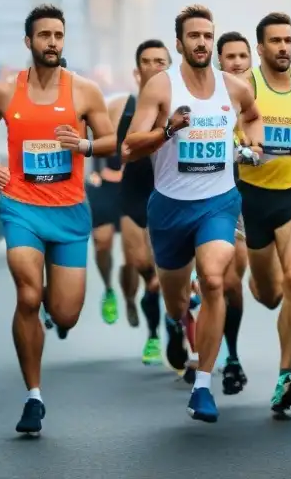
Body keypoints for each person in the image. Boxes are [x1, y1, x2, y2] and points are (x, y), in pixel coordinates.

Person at [0, 4, 116, 435]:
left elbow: (110, 141)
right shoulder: (3, 91)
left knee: (65, 314)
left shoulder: (85, 91)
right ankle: (33, 396)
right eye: (44, 35)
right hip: (21, 207)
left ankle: (57, 312)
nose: (52, 42)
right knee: (28, 295)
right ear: (28, 42)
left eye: (58, 35)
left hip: (70, 210)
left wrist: (85, 147)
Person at [123, 5, 263, 423]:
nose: (202, 42)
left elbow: (252, 118)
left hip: (218, 202)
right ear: (180, 42)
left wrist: (252, 146)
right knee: (177, 298)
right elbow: (130, 147)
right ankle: (172, 320)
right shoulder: (161, 88)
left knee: (216, 278)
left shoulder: (234, 88)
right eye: (194, 36)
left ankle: (203, 386)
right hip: (169, 207)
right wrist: (169, 130)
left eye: (207, 35)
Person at [234, 12, 291, 414]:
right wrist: (243, 151)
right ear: (261, 48)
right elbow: (225, 130)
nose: (284, 47)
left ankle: (285, 377)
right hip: (253, 198)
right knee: (268, 295)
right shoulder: (244, 86)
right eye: (276, 41)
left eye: (288, 40)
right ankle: (258, 282)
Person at [118, 40, 171, 367]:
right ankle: (131, 299)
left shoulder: (178, 103)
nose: (154, 66)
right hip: (132, 193)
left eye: (160, 61)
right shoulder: (123, 107)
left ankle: (159, 332)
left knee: (158, 277)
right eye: (148, 61)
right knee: (140, 264)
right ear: (138, 70)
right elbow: (107, 141)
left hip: (167, 193)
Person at [215, 31, 253, 394]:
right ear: (219, 61)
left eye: (243, 56)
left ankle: (232, 355)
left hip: (265, 194)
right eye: (230, 57)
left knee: (243, 283)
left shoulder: (259, 93)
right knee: (227, 282)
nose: (238, 62)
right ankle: (232, 356)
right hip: (219, 198)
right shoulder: (209, 95)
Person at [87, 95, 138, 326]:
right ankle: (108, 287)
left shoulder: (158, 108)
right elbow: (93, 142)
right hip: (105, 186)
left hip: (133, 188)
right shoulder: (114, 106)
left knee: (132, 257)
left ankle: (130, 299)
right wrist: (94, 173)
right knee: (102, 242)